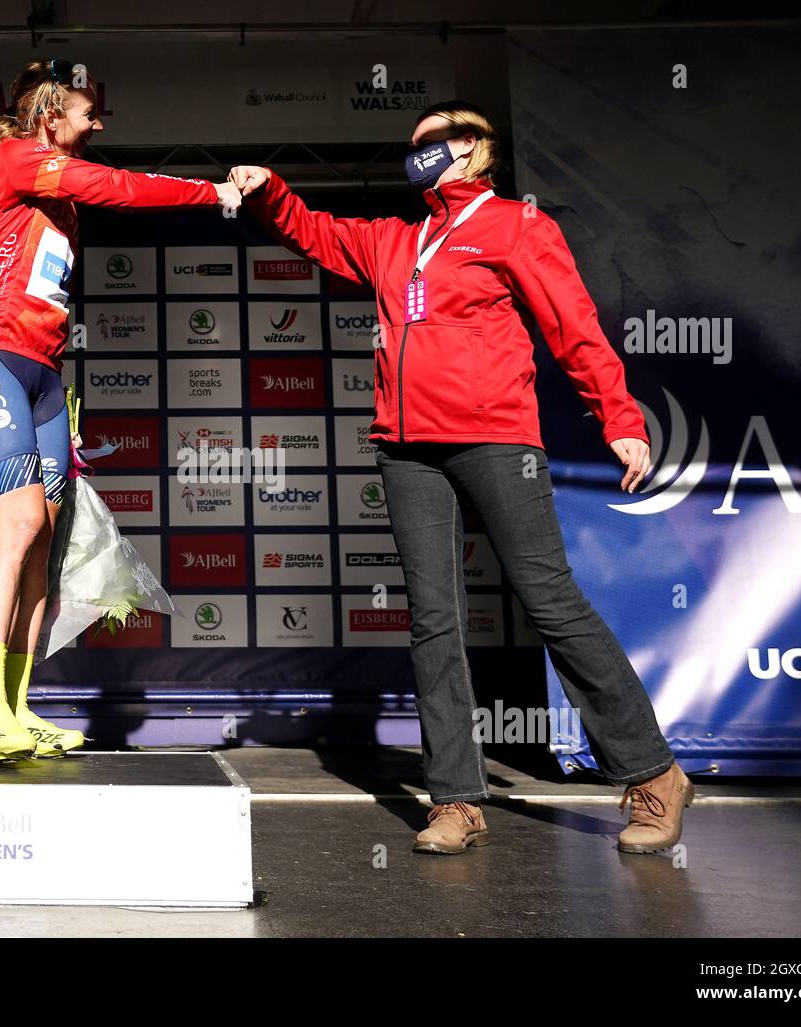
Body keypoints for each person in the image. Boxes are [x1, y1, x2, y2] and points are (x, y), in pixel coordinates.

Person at [229, 101, 692, 855]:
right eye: (412, 143)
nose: (418, 152)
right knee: (434, 620)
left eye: (434, 141)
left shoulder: (516, 225)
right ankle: (455, 800)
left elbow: (572, 327)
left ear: (475, 150)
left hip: (493, 434)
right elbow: (315, 233)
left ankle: (653, 774)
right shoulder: (397, 239)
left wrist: (621, 416)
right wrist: (271, 188)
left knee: (551, 602)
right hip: (407, 448)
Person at [0, 58, 243, 763]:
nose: (98, 121)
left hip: (45, 378)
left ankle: (18, 707)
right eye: (87, 111)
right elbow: (121, 186)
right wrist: (215, 193)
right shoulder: (20, 157)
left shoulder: (59, 202)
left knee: (45, 546)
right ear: (50, 115)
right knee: (17, 522)